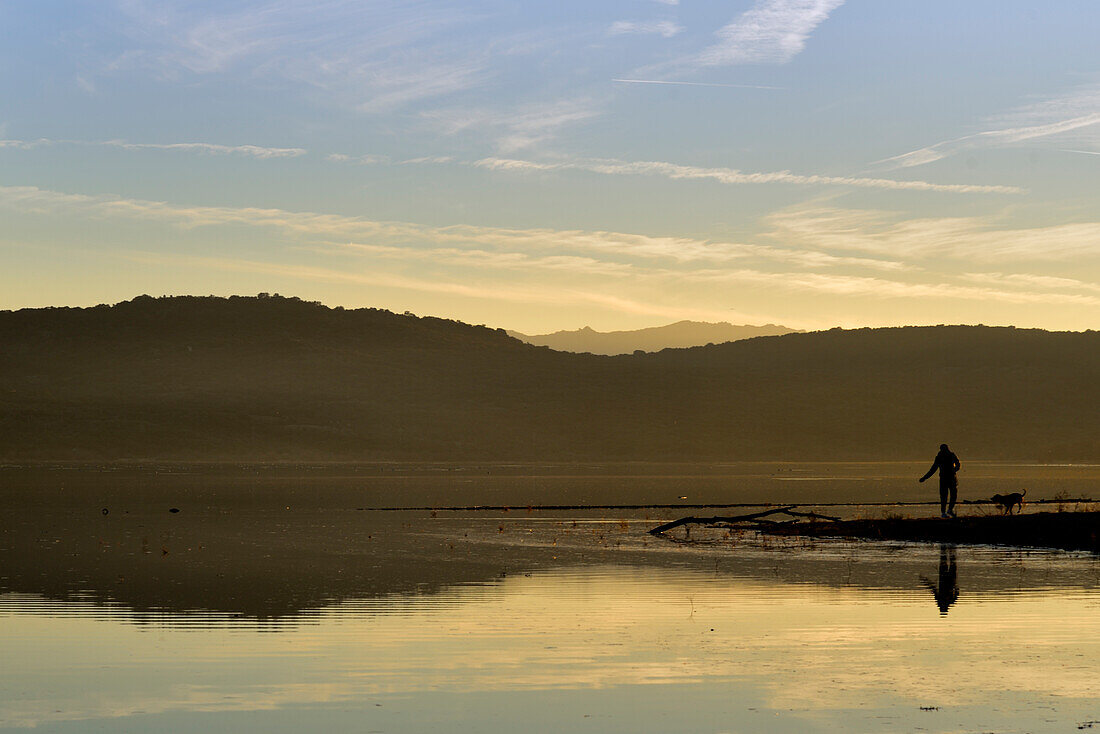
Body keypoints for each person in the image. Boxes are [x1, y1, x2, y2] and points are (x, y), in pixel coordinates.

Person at [920, 443, 960, 518]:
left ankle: (948, 510)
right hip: (946, 478)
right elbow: (933, 469)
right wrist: (925, 477)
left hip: (949, 478)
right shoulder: (940, 457)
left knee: (950, 495)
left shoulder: (949, 455)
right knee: (945, 495)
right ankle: (945, 512)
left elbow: (958, 464)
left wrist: (954, 470)